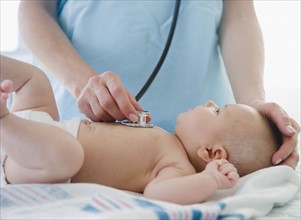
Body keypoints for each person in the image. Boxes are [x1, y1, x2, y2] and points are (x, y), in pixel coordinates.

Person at [18, 1, 299, 168]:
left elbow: (238, 14)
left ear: (213, 155)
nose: (212, 106)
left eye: (218, 110)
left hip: (203, 154)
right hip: (75, 119)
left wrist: (252, 108)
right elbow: (34, 8)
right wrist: (81, 83)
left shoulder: (188, 167)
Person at [1, 55, 281, 205]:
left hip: (37, 164)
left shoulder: (177, 166)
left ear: (210, 152)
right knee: (33, 79)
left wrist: (211, 181)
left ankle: (3, 118)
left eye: (217, 110)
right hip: (41, 132)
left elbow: (158, 195)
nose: (209, 101)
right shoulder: (164, 137)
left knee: (68, 154)